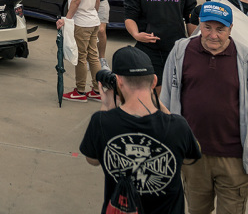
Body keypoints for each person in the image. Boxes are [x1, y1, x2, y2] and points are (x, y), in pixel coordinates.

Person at [158, 2, 248, 214]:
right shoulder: (181, 51)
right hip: (193, 157)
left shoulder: (246, 58)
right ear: (199, 25)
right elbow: (166, 101)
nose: (213, 35)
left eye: (220, 29)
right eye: (207, 27)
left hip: (235, 159)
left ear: (231, 29)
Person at [81, 45, 202, 214]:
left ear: (119, 81)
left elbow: (92, 160)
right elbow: (191, 157)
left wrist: (107, 106)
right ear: (154, 81)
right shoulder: (178, 126)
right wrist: (160, 105)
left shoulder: (101, 121)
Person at [123, 0, 200, 75]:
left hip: (175, 46)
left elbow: (190, 18)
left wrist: (192, 42)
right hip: (148, 48)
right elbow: (129, 16)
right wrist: (136, 34)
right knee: (154, 83)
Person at [58, 0, 104, 102]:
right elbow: (97, 0)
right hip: (93, 20)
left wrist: (67, 19)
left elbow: (76, 0)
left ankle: (80, 91)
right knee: (93, 56)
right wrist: (93, 14)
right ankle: (97, 90)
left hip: (82, 22)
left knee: (81, 57)